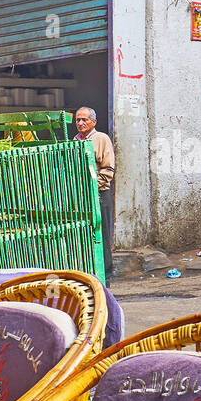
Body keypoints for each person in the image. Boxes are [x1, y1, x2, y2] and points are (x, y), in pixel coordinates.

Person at [75, 106, 115, 277]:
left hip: (99, 194)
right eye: (78, 120)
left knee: (102, 231)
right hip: (81, 195)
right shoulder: (76, 140)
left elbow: (108, 169)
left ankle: (106, 271)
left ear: (94, 122)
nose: (81, 123)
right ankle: (90, 269)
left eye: (85, 119)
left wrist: (92, 187)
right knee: (85, 232)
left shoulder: (101, 138)